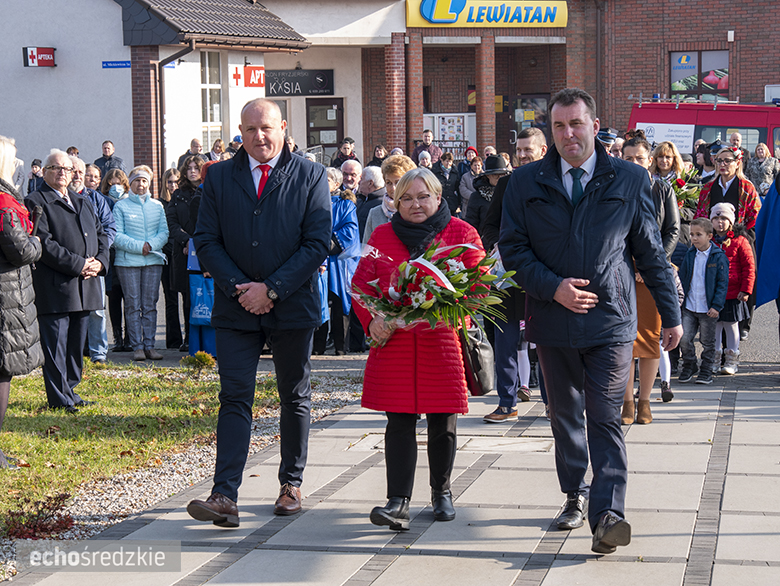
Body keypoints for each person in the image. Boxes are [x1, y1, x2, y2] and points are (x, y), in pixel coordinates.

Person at [499, 88, 682, 554]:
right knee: (564, 417)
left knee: (605, 416)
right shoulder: (524, 183)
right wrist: (553, 287)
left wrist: (671, 314)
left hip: (611, 321)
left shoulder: (629, 178)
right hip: (552, 320)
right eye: (559, 127)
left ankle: (608, 515)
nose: (568, 134)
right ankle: (573, 494)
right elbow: (514, 252)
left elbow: (650, 252)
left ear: (595, 126)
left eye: (576, 124)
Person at [188, 98, 331, 526]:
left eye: (266, 128)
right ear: (240, 133)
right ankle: (223, 495)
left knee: (294, 395)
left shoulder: (310, 175)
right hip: (236, 310)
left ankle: (291, 483)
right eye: (250, 130)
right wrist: (240, 289)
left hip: (292, 306)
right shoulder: (219, 178)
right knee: (234, 396)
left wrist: (271, 289)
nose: (259, 137)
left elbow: (317, 242)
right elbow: (206, 240)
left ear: (283, 127)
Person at [351, 167, 485, 531]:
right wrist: (374, 321)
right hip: (394, 344)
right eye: (406, 198)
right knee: (398, 422)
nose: (415, 204)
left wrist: (442, 311)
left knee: (443, 422)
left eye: (423, 196)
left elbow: (478, 289)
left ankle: (441, 492)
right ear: (394, 203)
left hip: (440, 343)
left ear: (439, 198)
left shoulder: (462, 233)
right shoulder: (381, 235)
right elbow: (361, 284)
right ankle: (398, 501)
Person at [26, 149, 108, 413]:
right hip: (58, 286)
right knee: (56, 345)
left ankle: (71, 389)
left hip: (87, 285)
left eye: (67, 169)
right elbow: (44, 244)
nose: (62, 173)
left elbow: (101, 234)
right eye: (55, 168)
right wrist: (79, 264)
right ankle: (58, 397)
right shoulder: (36, 201)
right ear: (45, 172)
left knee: (76, 344)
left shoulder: (82, 201)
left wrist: (100, 262)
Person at [482, 127, 548, 423]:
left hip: (543, 274)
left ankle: (553, 403)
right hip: (507, 274)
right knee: (505, 341)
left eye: (527, 150)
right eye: (518, 150)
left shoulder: (554, 180)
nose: (521, 155)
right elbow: (490, 224)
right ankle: (507, 402)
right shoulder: (506, 183)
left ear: (543, 151)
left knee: (548, 343)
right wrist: (498, 243)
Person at [620, 135, 680, 424]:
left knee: (649, 339)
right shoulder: (613, 187)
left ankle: (644, 400)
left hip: (652, 274)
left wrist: (651, 265)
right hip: (622, 273)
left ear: (649, 160)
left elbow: (672, 230)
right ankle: (626, 400)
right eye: (627, 158)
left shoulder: (662, 188)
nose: (633, 163)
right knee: (623, 340)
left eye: (639, 158)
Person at [0, 135, 43, 466]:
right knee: (2, 374)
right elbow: (23, 250)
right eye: (13, 161)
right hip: (6, 298)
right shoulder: (3, 204)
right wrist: (37, 241)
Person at [112, 166, 168, 361]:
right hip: (128, 262)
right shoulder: (121, 206)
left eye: (144, 181)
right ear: (131, 183)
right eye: (137, 181)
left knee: (150, 304)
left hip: (153, 259)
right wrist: (140, 247)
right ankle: (137, 346)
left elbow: (164, 232)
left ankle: (150, 345)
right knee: (133, 304)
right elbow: (117, 235)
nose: (141, 184)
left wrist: (150, 245)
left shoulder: (157, 206)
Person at [69, 157, 116, 365]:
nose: (79, 176)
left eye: (82, 172)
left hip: (94, 264)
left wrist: (98, 259)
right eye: (76, 172)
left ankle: (98, 353)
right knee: (71, 310)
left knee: (97, 310)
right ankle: (75, 352)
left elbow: (108, 229)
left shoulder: (97, 199)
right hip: (71, 264)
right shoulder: (62, 198)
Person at [313, 168, 359, 356]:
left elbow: (350, 230)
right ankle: (318, 346)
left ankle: (341, 345)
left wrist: (326, 243)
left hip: (338, 261)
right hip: (318, 260)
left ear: (337, 183)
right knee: (319, 302)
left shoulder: (346, 205)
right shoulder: (313, 202)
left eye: (328, 179)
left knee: (339, 304)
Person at [678, 218, 729, 385]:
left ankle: (706, 370)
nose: (694, 238)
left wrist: (716, 306)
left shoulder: (718, 256)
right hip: (690, 306)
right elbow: (683, 277)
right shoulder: (689, 254)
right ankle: (690, 364)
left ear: (709, 236)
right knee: (685, 339)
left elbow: (722, 283)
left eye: (698, 234)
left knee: (707, 341)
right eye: (692, 234)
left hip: (708, 308)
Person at [710, 203, 754, 375]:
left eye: (724, 219)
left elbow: (749, 267)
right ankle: (713, 359)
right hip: (713, 293)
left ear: (731, 221)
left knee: (731, 326)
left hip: (733, 292)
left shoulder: (740, 241)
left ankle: (731, 359)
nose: (720, 223)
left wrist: (746, 289)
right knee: (714, 326)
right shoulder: (709, 240)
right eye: (716, 218)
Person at [168, 156, 204, 352]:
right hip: (183, 253)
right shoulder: (178, 194)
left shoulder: (208, 190)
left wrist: (196, 243)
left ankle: (205, 337)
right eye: (189, 168)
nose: (192, 171)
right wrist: (186, 241)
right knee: (187, 297)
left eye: (196, 168)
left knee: (204, 294)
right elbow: (172, 222)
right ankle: (189, 337)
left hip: (205, 250)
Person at [100, 169, 130, 352]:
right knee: (114, 297)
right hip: (110, 254)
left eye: (118, 183)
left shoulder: (128, 202)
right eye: (111, 183)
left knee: (129, 297)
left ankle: (129, 337)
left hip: (126, 253)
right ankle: (117, 337)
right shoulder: (103, 201)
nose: (115, 186)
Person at [363, 155, 416, 245]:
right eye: (388, 183)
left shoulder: (418, 210)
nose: (393, 188)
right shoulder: (375, 213)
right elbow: (366, 249)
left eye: (398, 182)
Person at [158, 168, 183, 349]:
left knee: (188, 299)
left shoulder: (183, 201)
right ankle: (174, 340)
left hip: (183, 253)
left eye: (176, 182)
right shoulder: (159, 204)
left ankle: (190, 338)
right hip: (167, 255)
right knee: (171, 299)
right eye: (170, 182)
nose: (173, 186)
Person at [464, 155, 511, 238]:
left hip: (509, 241)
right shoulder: (477, 197)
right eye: (496, 175)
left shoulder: (511, 194)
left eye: (502, 175)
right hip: (486, 243)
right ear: (488, 176)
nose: (500, 179)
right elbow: (471, 225)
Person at [355, 165, 386, 240]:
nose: (358, 182)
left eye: (361, 179)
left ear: (370, 183)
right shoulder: (362, 199)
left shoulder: (382, 204)